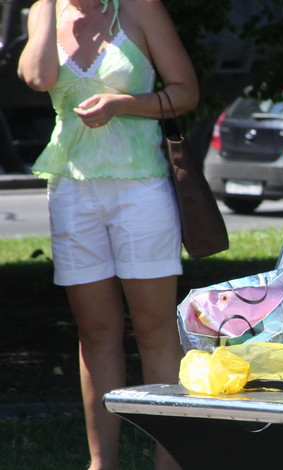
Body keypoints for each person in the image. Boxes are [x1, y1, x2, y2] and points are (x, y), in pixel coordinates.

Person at [17, 0, 198, 468]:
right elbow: (36, 77)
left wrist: (125, 104)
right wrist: (47, 11)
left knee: (153, 328)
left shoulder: (140, 8)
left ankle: (169, 461)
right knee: (95, 330)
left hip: (140, 186)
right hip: (71, 188)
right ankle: (103, 463)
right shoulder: (44, 10)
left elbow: (185, 91)